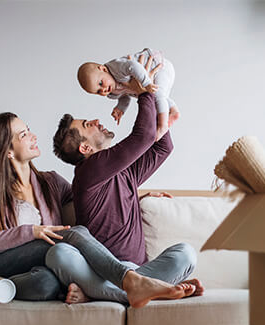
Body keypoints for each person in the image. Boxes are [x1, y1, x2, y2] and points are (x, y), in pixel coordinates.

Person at [0, 111, 198, 308]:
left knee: (48, 284)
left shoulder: (51, 182)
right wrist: (31, 232)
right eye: (23, 134)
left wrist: (136, 198)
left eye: (28, 129)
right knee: (69, 236)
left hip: (41, 269)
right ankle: (130, 281)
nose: (32, 135)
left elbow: (91, 198)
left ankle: (127, 287)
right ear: (8, 151)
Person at [52, 54, 204, 300]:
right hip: (104, 273)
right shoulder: (88, 171)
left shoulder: (124, 174)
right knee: (59, 254)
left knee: (186, 254)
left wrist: (153, 93)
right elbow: (144, 137)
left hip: (142, 271)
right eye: (87, 125)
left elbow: (162, 147)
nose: (95, 121)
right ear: (85, 149)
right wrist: (142, 91)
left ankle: (113, 293)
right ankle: (141, 290)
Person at [78, 47, 179, 140]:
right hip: (152, 79)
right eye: (98, 91)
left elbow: (133, 66)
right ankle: (173, 111)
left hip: (158, 67)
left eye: (101, 83)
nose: (103, 89)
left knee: (158, 95)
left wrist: (146, 82)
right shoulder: (111, 93)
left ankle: (162, 126)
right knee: (159, 97)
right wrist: (121, 108)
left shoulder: (116, 68)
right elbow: (125, 95)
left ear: (103, 69)